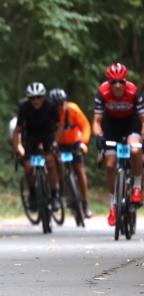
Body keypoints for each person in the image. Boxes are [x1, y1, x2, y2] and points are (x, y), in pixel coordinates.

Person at [92, 63, 144, 226]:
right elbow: (96, 121)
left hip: (131, 123)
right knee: (110, 165)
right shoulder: (102, 93)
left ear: (125, 81)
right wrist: (99, 135)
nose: (117, 85)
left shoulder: (133, 92)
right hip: (111, 125)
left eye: (121, 81)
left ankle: (136, 186)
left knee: (135, 150)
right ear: (108, 82)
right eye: (113, 82)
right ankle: (113, 204)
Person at [12, 82, 63, 212]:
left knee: (50, 162)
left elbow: (60, 126)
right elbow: (17, 131)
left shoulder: (50, 106)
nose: (35, 101)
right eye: (32, 98)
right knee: (28, 168)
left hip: (47, 136)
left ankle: (54, 194)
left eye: (38, 97)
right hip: (31, 138)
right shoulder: (24, 108)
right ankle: (33, 195)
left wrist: (55, 143)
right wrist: (16, 148)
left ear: (43, 97)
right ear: (28, 99)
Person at [49, 88, 93, 218]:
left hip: (75, 143)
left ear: (65, 102)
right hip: (58, 144)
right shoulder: (49, 113)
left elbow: (85, 126)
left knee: (79, 170)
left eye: (61, 104)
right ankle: (61, 183)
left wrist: (83, 142)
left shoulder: (73, 109)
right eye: (55, 106)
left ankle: (85, 204)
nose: (59, 108)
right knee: (55, 160)